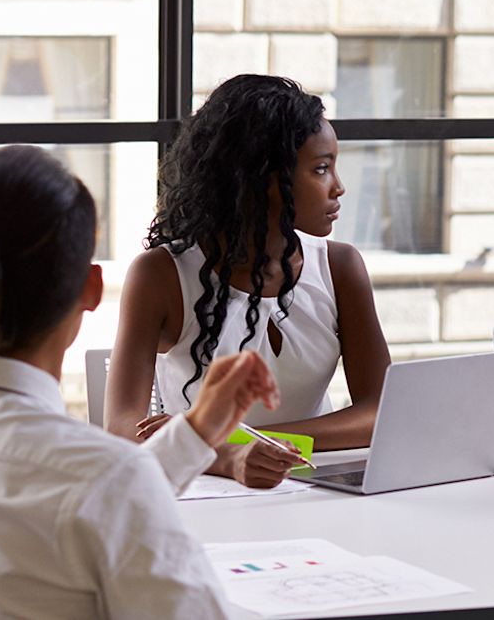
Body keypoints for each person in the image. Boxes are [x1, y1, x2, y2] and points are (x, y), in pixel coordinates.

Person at [0, 145, 278, 619]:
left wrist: (193, 435)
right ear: (91, 290)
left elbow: (101, 501)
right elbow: (106, 500)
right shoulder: (102, 479)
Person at [107, 74, 389, 488]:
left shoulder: (341, 267)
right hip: (204, 494)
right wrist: (225, 457)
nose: (339, 187)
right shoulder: (160, 274)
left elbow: (382, 410)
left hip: (314, 489)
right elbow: (121, 428)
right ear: (263, 178)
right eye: (321, 169)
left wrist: (253, 444)